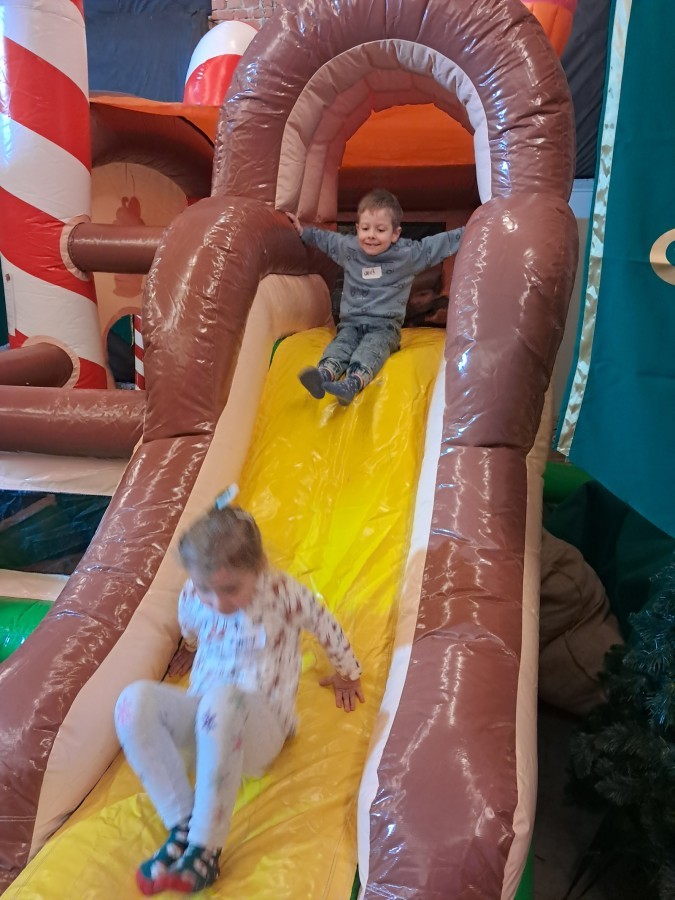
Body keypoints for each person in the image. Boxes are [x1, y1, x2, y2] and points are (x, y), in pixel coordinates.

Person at [114, 489, 364, 895]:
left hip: (259, 730)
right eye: (205, 588)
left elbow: (325, 625)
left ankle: (205, 848)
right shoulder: (194, 595)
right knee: (132, 702)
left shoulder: (282, 594)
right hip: (205, 725)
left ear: (258, 569)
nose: (218, 602)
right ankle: (183, 823)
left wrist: (348, 673)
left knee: (222, 700)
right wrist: (188, 648)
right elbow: (190, 624)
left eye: (230, 589)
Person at [286, 188, 465, 405]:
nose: (371, 235)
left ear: (395, 234)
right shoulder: (350, 249)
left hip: (384, 327)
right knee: (340, 344)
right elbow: (327, 239)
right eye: (365, 228)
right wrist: (303, 231)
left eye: (380, 230)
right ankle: (324, 374)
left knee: (372, 348)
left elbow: (437, 245)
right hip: (350, 323)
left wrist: (471, 230)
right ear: (357, 229)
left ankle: (353, 382)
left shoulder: (406, 255)